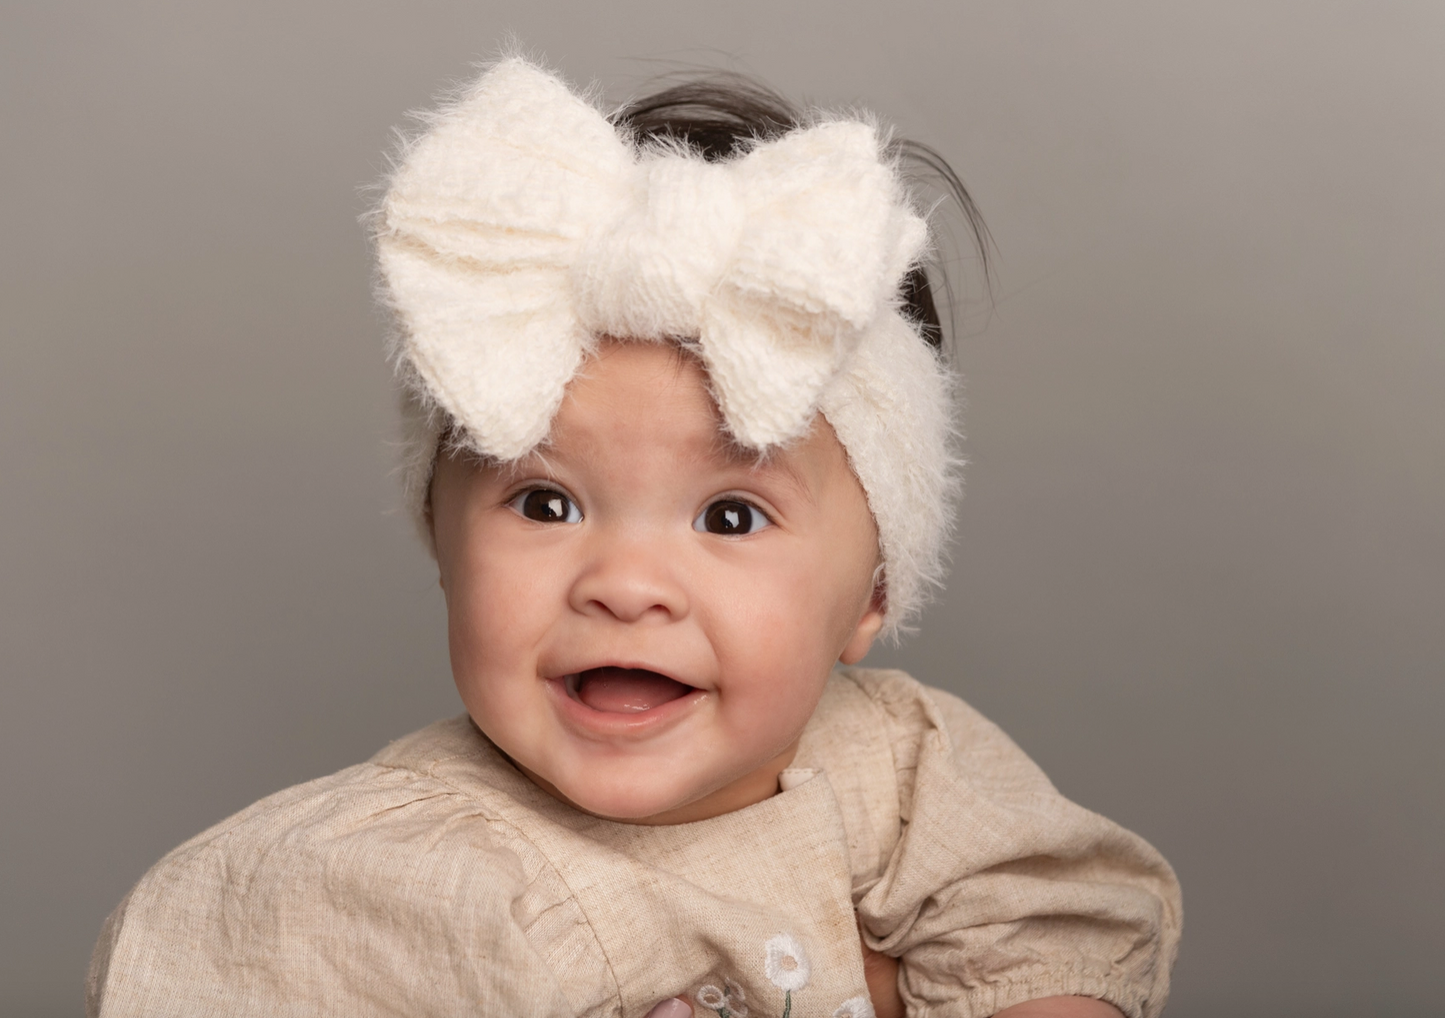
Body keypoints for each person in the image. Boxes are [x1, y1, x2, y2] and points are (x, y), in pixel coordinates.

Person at [86, 56, 1181, 1018]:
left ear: (871, 595)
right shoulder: (375, 883)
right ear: (443, 541)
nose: (623, 583)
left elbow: (1049, 931)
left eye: (730, 515)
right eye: (543, 503)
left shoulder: (909, 766)